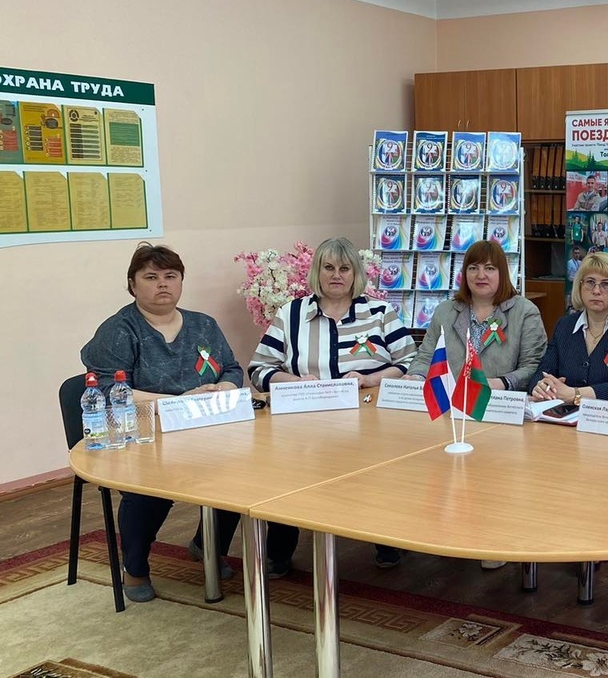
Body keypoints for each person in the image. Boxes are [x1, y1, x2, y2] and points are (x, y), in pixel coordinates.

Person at [81, 244, 244, 603]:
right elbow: (108, 389)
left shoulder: (203, 325)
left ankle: (209, 546)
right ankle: (135, 568)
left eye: (171, 276)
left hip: (203, 427)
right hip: (141, 432)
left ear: (181, 281)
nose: (162, 284)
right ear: (132, 284)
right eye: (151, 277)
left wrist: (223, 388)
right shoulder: (119, 330)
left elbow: (232, 368)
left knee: (238, 472)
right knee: (148, 492)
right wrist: (176, 403)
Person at [247, 236, 418, 573]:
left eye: (344, 268)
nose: (336, 275)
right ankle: (280, 551)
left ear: (356, 274)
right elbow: (259, 369)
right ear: (316, 272)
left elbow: (411, 363)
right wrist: (294, 382)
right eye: (328, 267)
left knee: (379, 471)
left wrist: (371, 378)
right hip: (305, 420)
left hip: (370, 422)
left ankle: (386, 540)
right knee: (289, 476)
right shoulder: (291, 313)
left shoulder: (380, 313)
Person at [406, 241, 547, 569]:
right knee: (445, 475)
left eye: (489, 268)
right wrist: (415, 376)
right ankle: (449, 533)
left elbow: (534, 366)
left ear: (503, 273)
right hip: (451, 412)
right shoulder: (446, 311)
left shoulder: (524, 311)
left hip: (499, 411)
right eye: (473, 267)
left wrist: (500, 382)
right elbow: (426, 355)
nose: (480, 275)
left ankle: (493, 539)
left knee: (494, 481)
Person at [530, 252, 608, 408]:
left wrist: (575, 394)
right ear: (580, 286)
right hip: (564, 415)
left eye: (605, 284)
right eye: (590, 282)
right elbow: (542, 372)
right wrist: (542, 387)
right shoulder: (565, 325)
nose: (596, 290)